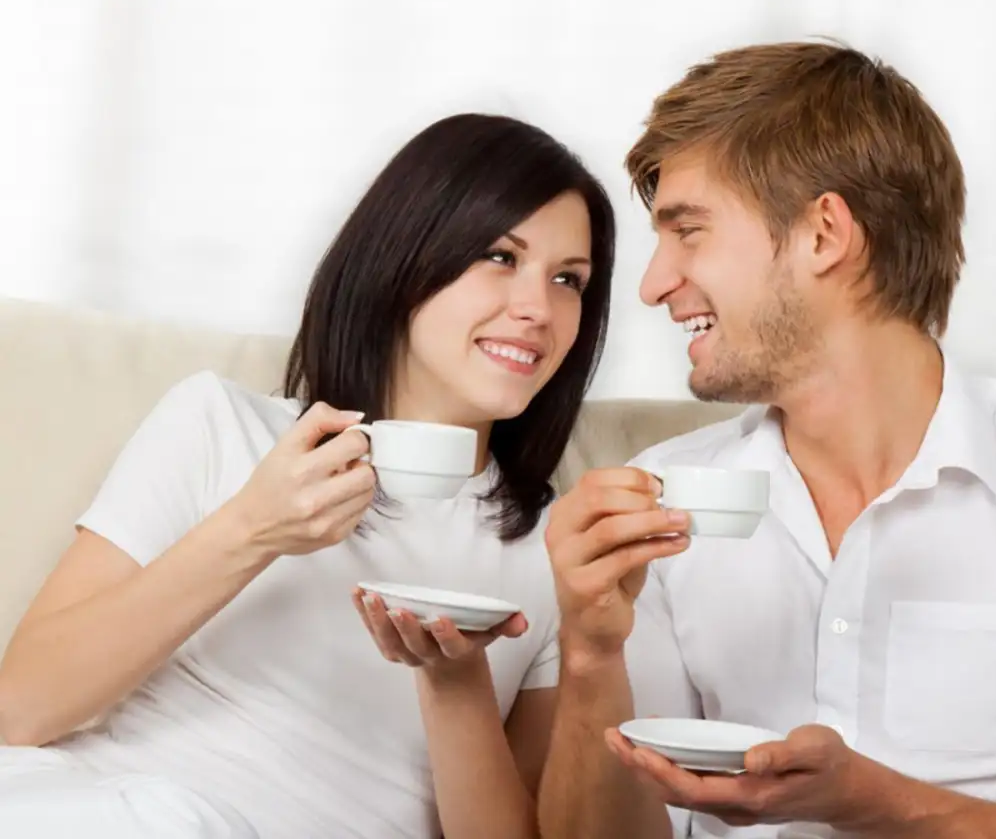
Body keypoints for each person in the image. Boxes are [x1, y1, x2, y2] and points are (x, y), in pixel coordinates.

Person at [538, 40, 996, 839]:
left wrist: (875, 801)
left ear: (825, 233)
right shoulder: (659, 493)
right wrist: (590, 654)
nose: (653, 284)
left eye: (689, 231)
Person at [0, 112, 615, 838]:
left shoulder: (562, 550)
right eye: (501, 256)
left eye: (569, 279)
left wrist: (455, 683)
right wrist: (252, 531)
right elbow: (20, 710)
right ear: (404, 257)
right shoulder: (223, 425)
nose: (538, 309)